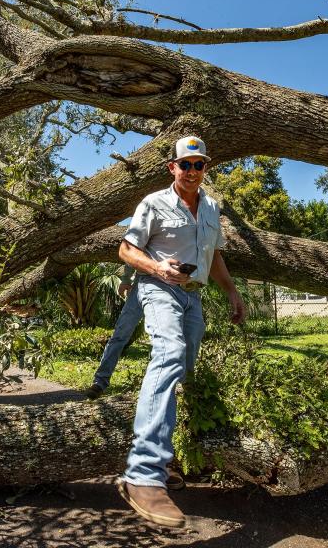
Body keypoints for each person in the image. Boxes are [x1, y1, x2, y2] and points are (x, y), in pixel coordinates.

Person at [115, 135, 245, 528]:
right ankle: (143, 475)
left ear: (206, 168)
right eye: (184, 164)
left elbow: (214, 255)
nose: (192, 171)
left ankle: (166, 453)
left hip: (193, 298)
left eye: (199, 164)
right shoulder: (153, 203)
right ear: (172, 167)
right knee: (169, 353)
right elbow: (125, 249)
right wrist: (157, 269)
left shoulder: (212, 207)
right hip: (158, 288)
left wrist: (232, 292)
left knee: (181, 371)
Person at [84, 265, 142, 400]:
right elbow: (134, 249)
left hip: (171, 287)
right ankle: (100, 382)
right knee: (119, 335)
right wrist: (126, 279)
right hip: (142, 285)